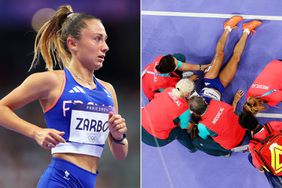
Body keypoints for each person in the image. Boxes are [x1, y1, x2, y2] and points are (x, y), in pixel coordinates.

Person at [0, 5, 128, 188]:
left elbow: (120, 154)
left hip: (89, 182)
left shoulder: (108, 91)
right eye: (97, 39)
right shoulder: (52, 81)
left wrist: (117, 136)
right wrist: (35, 131)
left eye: (105, 40)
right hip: (60, 180)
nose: (105, 47)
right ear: (72, 43)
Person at [199, 16, 262, 103]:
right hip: (220, 87)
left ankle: (227, 27)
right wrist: (235, 101)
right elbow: (229, 112)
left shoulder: (193, 111)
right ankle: (246, 29)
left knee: (219, 55)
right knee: (236, 59)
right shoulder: (213, 115)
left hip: (208, 82)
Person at [142, 78, 196, 152]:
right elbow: (184, 126)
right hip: (155, 139)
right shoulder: (184, 108)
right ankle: (192, 147)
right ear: (187, 94)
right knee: (180, 131)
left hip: (140, 126)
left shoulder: (168, 90)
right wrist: (192, 125)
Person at [142, 53, 210, 101]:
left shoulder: (160, 59)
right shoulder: (161, 84)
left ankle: (180, 78)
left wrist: (200, 67)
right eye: (177, 64)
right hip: (157, 94)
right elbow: (176, 92)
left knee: (180, 57)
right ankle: (181, 79)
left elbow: (182, 65)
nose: (179, 62)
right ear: (171, 71)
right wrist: (189, 80)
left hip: (155, 81)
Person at [239, 113, 282, 188]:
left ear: (246, 129)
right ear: (255, 118)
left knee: (252, 159)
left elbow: (258, 165)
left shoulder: (253, 145)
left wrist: (261, 170)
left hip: (279, 169)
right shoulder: (272, 125)